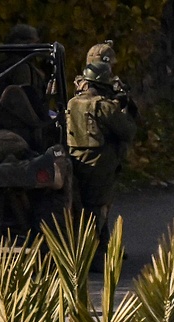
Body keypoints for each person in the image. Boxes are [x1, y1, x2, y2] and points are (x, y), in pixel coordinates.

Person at [66, 61, 137, 253]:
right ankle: (91, 253)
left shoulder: (72, 103)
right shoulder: (104, 107)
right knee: (97, 208)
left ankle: (102, 247)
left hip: (76, 160)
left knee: (82, 207)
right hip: (100, 163)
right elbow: (127, 132)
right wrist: (125, 110)